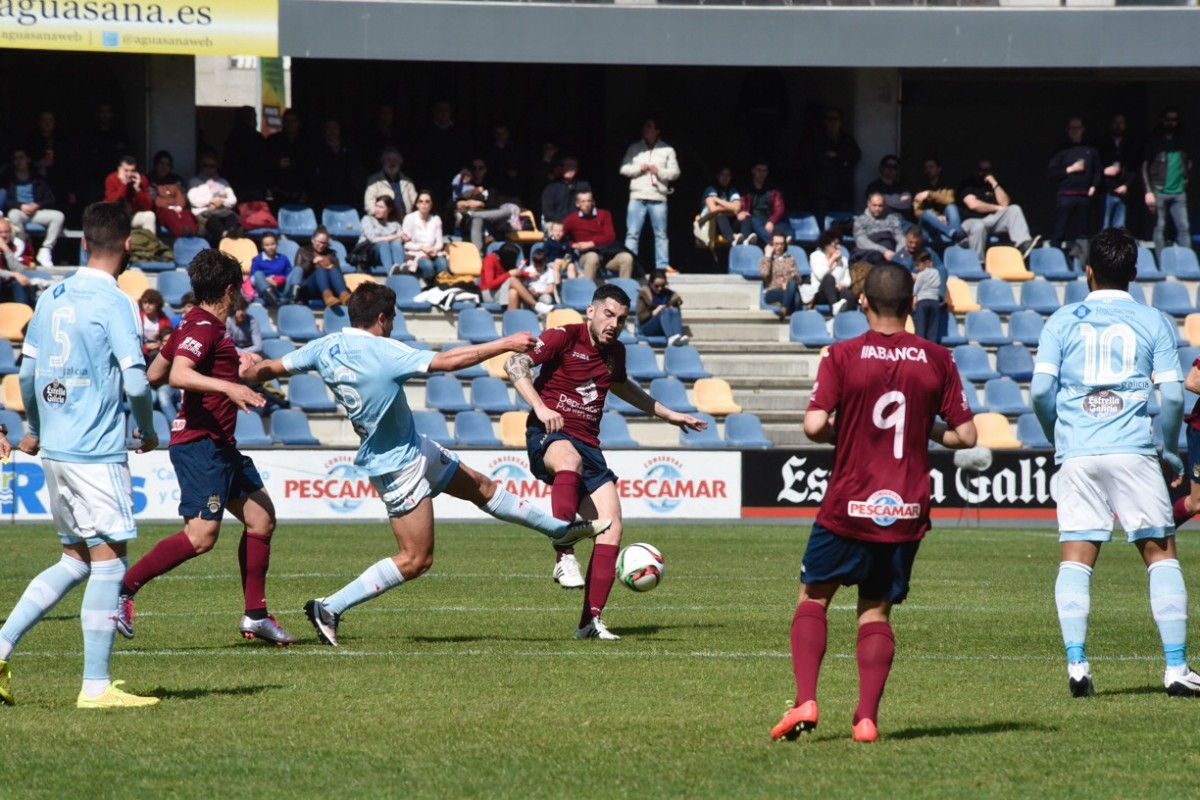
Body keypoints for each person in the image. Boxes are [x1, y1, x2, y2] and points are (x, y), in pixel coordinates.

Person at [243, 283, 608, 644]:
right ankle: (330, 606)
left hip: (414, 447)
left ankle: (557, 530)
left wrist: (246, 373)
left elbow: (273, 368)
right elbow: (447, 362)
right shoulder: (384, 350)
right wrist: (504, 343)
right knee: (416, 558)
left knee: (483, 487)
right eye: (393, 319)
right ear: (383, 318)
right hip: (397, 465)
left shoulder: (325, 346)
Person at [770, 263, 977, 744]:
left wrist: (849, 431)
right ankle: (865, 718)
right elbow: (966, 435)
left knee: (814, 597)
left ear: (863, 302)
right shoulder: (938, 358)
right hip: (904, 508)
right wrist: (929, 430)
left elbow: (814, 425)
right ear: (911, 307)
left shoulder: (842, 355)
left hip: (849, 503)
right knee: (876, 611)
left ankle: (805, 699)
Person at [0, 202, 160, 708]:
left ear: (84, 242)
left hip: (57, 448)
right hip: (96, 448)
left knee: (74, 559)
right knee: (110, 563)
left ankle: (0, 646)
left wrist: (32, 428)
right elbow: (136, 379)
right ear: (128, 246)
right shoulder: (116, 302)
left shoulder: (51, 295)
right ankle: (95, 685)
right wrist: (148, 428)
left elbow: (26, 376)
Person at [1032, 227, 1200, 699]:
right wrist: (1167, 448)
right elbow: (1171, 396)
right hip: (1132, 449)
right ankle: (1175, 669)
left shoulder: (1062, 320)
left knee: (1077, 556)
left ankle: (1078, 665)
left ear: (1088, 272)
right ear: (1135, 274)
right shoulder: (1152, 320)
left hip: (1078, 452)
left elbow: (1042, 391)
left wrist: (1055, 434)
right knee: (1159, 552)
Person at [117, 249, 296, 646]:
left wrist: (234, 366)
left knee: (261, 518)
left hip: (219, 443)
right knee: (201, 537)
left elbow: (155, 373)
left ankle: (256, 616)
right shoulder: (204, 327)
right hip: (201, 444)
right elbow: (179, 374)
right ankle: (123, 589)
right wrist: (230, 385)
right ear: (230, 290)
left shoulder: (193, 324)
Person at [505, 285, 706, 635]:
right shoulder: (564, 336)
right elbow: (514, 362)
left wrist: (669, 414)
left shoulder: (615, 353)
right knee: (569, 461)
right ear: (591, 312)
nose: (614, 324)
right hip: (549, 436)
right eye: (609, 315)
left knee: (611, 527)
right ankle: (564, 556)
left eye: (622, 319)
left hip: (590, 446)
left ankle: (591, 621)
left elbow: (622, 386)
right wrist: (540, 406)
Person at [620, 119, 680, 272]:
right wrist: (639, 168)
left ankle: (663, 266)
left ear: (657, 130)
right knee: (632, 233)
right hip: (637, 196)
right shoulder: (634, 148)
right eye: (644, 127)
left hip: (658, 197)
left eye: (649, 127)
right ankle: (630, 265)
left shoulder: (667, 149)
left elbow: (675, 173)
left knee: (661, 234)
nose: (646, 130)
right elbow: (623, 169)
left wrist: (658, 171)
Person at [958, 159, 1038, 260]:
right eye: (982, 170)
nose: (984, 173)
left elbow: (1005, 204)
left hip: (992, 221)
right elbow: (973, 205)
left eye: (988, 170)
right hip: (972, 221)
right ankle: (978, 262)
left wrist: (994, 183)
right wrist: (997, 208)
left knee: (1014, 209)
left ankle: (1024, 244)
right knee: (979, 226)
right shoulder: (968, 185)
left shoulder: (993, 186)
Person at [1046, 117, 1102, 254]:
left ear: (1082, 130)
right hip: (1065, 196)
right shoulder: (1061, 151)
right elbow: (1051, 173)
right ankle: (1056, 257)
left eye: (1077, 128)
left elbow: (1098, 170)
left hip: (1084, 196)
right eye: (1072, 128)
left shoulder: (1091, 149)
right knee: (1060, 229)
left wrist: (1094, 186)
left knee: (1082, 232)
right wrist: (1070, 169)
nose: (1075, 131)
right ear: (1068, 131)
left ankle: (1080, 261)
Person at [1143, 106, 1191, 257]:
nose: (1171, 123)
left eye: (1174, 120)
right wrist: (1148, 191)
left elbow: (1188, 163)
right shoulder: (1154, 141)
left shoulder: (1182, 141)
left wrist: (1184, 182)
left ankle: (1186, 261)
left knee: (1184, 227)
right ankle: (1161, 262)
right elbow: (1144, 166)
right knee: (1159, 227)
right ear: (1162, 121)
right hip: (1159, 190)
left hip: (1179, 192)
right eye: (1168, 120)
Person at [5, 149, 64, 267]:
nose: (18, 161)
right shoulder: (8, 179)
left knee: (58, 216)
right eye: (15, 158)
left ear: (27, 160)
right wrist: (21, 206)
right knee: (13, 214)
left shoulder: (38, 179)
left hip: (36, 212)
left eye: (21, 158)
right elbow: (7, 201)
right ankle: (21, 243)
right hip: (19, 212)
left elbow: (50, 199)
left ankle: (46, 249)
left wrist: (37, 205)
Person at [562, 189, 634, 281]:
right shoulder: (571, 219)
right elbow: (561, 238)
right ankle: (587, 291)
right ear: (578, 204)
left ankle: (624, 291)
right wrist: (573, 245)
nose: (586, 204)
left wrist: (591, 243)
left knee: (626, 258)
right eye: (583, 201)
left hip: (606, 255)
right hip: (586, 256)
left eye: (589, 201)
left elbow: (610, 236)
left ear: (593, 202)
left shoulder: (604, 214)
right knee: (592, 257)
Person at [807, 107, 861, 220]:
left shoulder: (847, 139)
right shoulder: (818, 139)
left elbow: (855, 156)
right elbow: (817, 159)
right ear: (825, 122)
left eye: (836, 119)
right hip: (822, 191)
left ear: (841, 122)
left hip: (843, 190)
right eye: (829, 119)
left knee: (843, 222)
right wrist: (842, 160)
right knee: (821, 223)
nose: (833, 122)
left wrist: (837, 156)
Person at [481, 242, 552, 314]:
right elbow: (490, 284)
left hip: (502, 290)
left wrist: (528, 274)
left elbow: (515, 272)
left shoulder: (506, 262)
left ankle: (511, 321)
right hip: (490, 293)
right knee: (512, 280)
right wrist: (508, 274)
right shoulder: (490, 260)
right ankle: (536, 305)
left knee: (513, 292)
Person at [290, 227, 351, 307]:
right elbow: (298, 272)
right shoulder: (303, 251)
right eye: (319, 242)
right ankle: (327, 296)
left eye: (324, 243)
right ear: (313, 240)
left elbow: (338, 273)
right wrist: (312, 262)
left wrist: (329, 263)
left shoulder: (331, 254)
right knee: (321, 269)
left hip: (329, 286)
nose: (321, 245)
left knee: (332, 268)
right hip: (308, 287)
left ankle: (344, 296)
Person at [187, 154, 239, 245]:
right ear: (201, 166)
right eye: (205, 165)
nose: (208, 168)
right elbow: (194, 201)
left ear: (216, 168)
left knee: (232, 216)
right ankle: (226, 236)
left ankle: (232, 237)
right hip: (205, 213)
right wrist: (211, 201)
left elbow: (233, 199)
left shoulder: (223, 182)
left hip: (223, 210)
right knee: (213, 219)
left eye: (212, 166)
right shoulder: (194, 182)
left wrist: (222, 202)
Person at [913, 156, 963, 246]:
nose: (928, 170)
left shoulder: (946, 184)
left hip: (946, 221)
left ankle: (956, 234)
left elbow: (950, 200)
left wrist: (929, 194)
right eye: (926, 168)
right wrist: (937, 217)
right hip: (927, 225)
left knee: (952, 207)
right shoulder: (920, 186)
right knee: (927, 213)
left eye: (931, 167)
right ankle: (953, 235)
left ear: (939, 169)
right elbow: (917, 212)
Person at [401, 191, 449, 280]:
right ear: (417, 204)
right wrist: (422, 248)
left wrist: (433, 250)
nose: (424, 204)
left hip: (433, 252)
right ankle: (429, 287)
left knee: (443, 264)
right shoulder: (409, 218)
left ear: (431, 204)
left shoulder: (436, 219)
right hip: (415, 253)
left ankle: (441, 287)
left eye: (427, 202)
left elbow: (439, 243)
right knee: (428, 266)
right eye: (421, 201)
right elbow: (407, 244)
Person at [149, 150, 196, 238]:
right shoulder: (150, 180)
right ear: (156, 164)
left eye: (167, 165)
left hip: (178, 209)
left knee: (186, 214)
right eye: (161, 164)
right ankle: (182, 236)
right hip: (162, 212)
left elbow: (182, 197)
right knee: (170, 215)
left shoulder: (176, 179)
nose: (164, 167)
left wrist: (177, 205)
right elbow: (155, 200)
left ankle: (191, 235)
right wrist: (171, 204)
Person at [737, 162, 786, 246]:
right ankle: (773, 244)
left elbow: (780, 209)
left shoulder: (773, 190)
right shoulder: (746, 189)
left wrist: (771, 221)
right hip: (753, 220)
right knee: (754, 221)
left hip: (769, 220)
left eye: (764, 171)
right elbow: (740, 205)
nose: (761, 174)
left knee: (788, 229)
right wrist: (741, 212)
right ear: (753, 171)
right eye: (759, 170)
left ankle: (784, 245)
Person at [1099, 113, 1134, 231]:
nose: (1118, 126)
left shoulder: (1129, 143)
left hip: (1122, 190)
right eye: (1116, 123)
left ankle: (1118, 249)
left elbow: (1133, 167)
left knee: (1119, 227)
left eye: (1121, 123)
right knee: (1105, 226)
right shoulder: (1103, 142)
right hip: (1106, 190)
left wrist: (1126, 185)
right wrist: (1104, 170)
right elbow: (1095, 164)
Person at [103, 155, 155, 232]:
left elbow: (148, 207)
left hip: (132, 216)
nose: (129, 174)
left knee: (150, 216)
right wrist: (124, 184)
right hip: (116, 216)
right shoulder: (111, 179)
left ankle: (149, 243)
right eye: (126, 170)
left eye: (132, 170)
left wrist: (138, 189)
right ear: (119, 169)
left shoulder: (142, 180)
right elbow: (112, 202)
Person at [807, 230, 855, 312]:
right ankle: (834, 306)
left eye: (839, 244)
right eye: (835, 244)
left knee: (848, 294)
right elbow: (821, 276)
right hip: (821, 293)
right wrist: (832, 260)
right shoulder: (815, 256)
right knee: (829, 278)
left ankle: (846, 316)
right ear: (826, 245)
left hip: (837, 291)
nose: (838, 247)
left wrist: (844, 284)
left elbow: (848, 279)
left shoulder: (843, 259)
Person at [637, 270, 689, 347]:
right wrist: (654, 312)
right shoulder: (644, 294)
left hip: (666, 326)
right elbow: (640, 317)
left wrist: (672, 307)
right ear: (650, 284)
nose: (660, 288)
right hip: (648, 327)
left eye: (663, 285)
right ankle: (671, 338)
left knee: (674, 311)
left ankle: (678, 337)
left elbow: (675, 314)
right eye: (656, 286)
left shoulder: (670, 295)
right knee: (664, 311)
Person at [852, 192, 905, 265]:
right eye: (874, 205)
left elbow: (900, 237)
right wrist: (884, 251)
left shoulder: (893, 219)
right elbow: (861, 241)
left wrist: (897, 254)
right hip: (871, 253)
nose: (877, 208)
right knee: (876, 257)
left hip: (892, 251)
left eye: (880, 206)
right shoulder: (860, 220)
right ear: (868, 204)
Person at [363, 147, 417, 217]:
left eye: (395, 160)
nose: (392, 163)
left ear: (400, 162)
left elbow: (416, 202)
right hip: (385, 224)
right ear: (383, 162)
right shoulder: (374, 180)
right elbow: (369, 204)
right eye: (389, 160)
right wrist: (380, 220)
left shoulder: (408, 181)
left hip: (406, 221)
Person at [360, 196, 408, 274]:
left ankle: (400, 269)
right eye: (376, 206)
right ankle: (390, 272)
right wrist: (396, 236)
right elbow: (373, 239)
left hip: (390, 253)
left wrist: (403, 237)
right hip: (369, 254)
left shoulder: (395, 224)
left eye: (381, 207)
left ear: (389, 209)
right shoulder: (367, 220)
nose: (377, 209)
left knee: (396, 243)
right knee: (384, 244)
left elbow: (401, 237)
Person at [699, 166, 744, 246]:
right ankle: (733, 241)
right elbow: (713, 210)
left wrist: (717, 200)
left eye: (727, 175)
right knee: (719, 215)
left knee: (744, 216)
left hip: (726, 225)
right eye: (722, 175)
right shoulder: (711, 189)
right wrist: (730, 209)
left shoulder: (732, 190)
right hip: (710, 225)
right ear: (718, 176)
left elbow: (737, 208)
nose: (725, 178)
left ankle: (746, 241)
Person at [760, 232, 802, 318]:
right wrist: (768, 256)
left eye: (782, 244)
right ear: (771, 245)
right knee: (796, 298)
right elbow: (764, 274)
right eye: (776, 244)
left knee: (793, 285)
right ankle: (796, 315)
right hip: (773, 291)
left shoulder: (790, 258)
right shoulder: (766, 259)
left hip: (789, 289)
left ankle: (784, 309)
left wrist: (792, 275)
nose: (779, 247)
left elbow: (799, 279)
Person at [865, 155, 914, 220]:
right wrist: (898, 200)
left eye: (895, 167)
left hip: (901, 222)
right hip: (880, 221)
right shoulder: (873, 186)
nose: (891, 169)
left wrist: (885, 201)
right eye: (888, 166)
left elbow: (906, 204)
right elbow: (874, 205)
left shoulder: (903, 186)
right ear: (882, 168)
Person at [249, 233, 292, 307]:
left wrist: (280, 280)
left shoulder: (283, 258)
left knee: (297, 270)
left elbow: (289, 275)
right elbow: (253, 279)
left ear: (277, 244)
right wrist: (266, 280)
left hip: (280, 289)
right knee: (258, 274)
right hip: (264, 291)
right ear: (262, 246)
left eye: (272, 244)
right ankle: (274, 301)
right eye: (267, 245)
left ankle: (294, 298)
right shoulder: (257, 260)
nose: (270, 247)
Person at [0, 218, 36, 305]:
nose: (4, 235)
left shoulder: (16, 246)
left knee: (21, 283)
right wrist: (14, 274)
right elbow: (16, 274)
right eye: (0, 232)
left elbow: (20, 271)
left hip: (12, 284)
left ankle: (23, 315)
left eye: (7, 232)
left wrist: (6, 250)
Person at [541, 156, 586, 225]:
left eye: (573, 166)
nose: (570, 169)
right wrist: (562, 222)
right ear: (561, 169)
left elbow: (588, 207)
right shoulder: (551, 188)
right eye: (567, 166)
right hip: (556, 224)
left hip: (578, 224)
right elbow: (548, 212)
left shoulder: (583, 186)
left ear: (577, 169)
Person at [911, 250, 941, 343]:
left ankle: (921, 349)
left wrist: (913, 295)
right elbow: (938, 284)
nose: (917, 268)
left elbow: (916, 289)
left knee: (921, 328)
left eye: (918, 265)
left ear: (926, 263)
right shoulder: (936, 272)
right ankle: (931, 350)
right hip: (935, 302)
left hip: (923, 302)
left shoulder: (921, 274)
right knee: (933, 329)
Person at [138, 289, 173, 361]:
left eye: (150, 303)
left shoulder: (164, 320)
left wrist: (159, 345)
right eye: (145, 302)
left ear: (157, 304)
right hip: (140, 348)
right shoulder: (138, 318)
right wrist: (145, 347)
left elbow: (168, 338)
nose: (147, 306)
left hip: (157, 350)